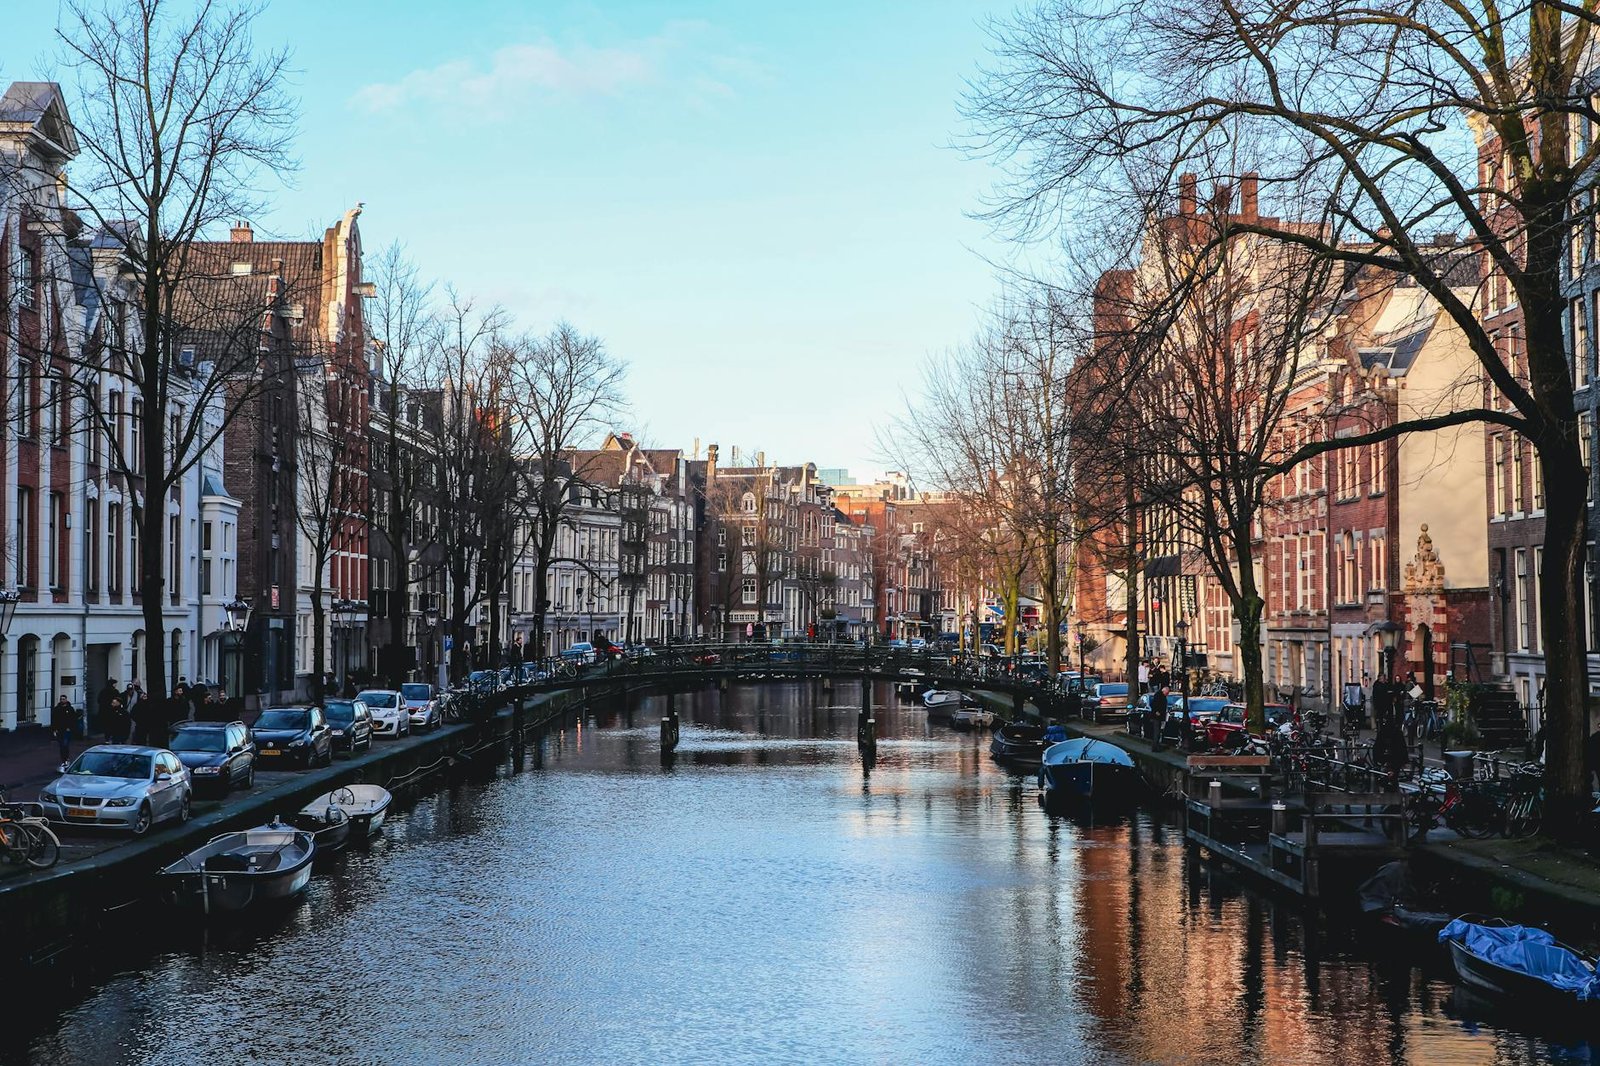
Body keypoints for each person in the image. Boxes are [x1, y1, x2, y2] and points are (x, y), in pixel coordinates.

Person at [50, 695, 75, 761]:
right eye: (61, 699)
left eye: (63, 699)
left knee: (65, 744)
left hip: (67, 730)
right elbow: (54, 720)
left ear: (66, 700)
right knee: (61, 746)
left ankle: (66, 758)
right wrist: (54, 729)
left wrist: (70, 728)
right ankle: (63, 759)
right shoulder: (56, 709)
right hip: (59, 730)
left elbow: (73, 719)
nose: (62, 700)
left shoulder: (70, 709)